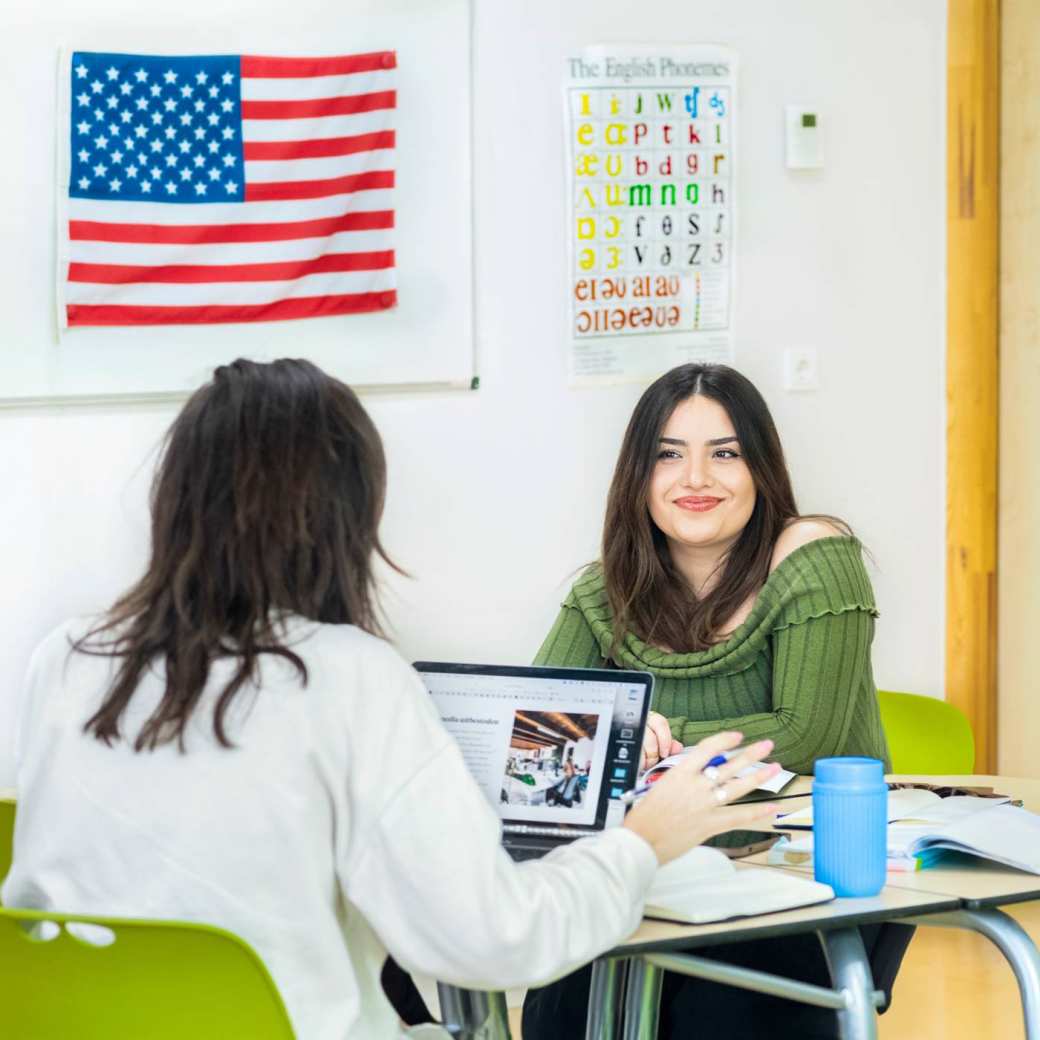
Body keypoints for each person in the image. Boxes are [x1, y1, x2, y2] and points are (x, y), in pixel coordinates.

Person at [2, 358, 781, 1040]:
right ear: (343, 515)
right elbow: (494, 940)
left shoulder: (69, 656)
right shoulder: (347, 677)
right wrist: (642, 842)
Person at [523, 362, 912, 1040]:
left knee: (715, 1011)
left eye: (724, 453)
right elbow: (532, 738)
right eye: (668, 455)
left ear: (760, 468)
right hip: (654, 876)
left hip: (794, 884)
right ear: (636, 478)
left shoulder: (815, 553)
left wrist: (645, 736)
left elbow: (803, 739)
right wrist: (614, 738)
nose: (695, 479)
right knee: (558, 1003)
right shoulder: (601, 591)